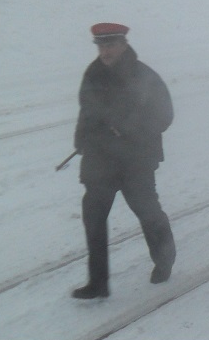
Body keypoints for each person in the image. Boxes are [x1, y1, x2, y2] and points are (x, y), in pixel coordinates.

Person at [71, 23, 176, 299]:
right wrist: (81, 139)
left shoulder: (144, 76)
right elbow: (87, 111)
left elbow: (164, 115)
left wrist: (129, 129)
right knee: (93, 219)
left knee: (147, 211)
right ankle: (98, 283)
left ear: (123, 44)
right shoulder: (92, 74)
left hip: (135, 160)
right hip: (99, 161)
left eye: (110, 45)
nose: (105, 51)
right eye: (101, 45)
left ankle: (164, 258)